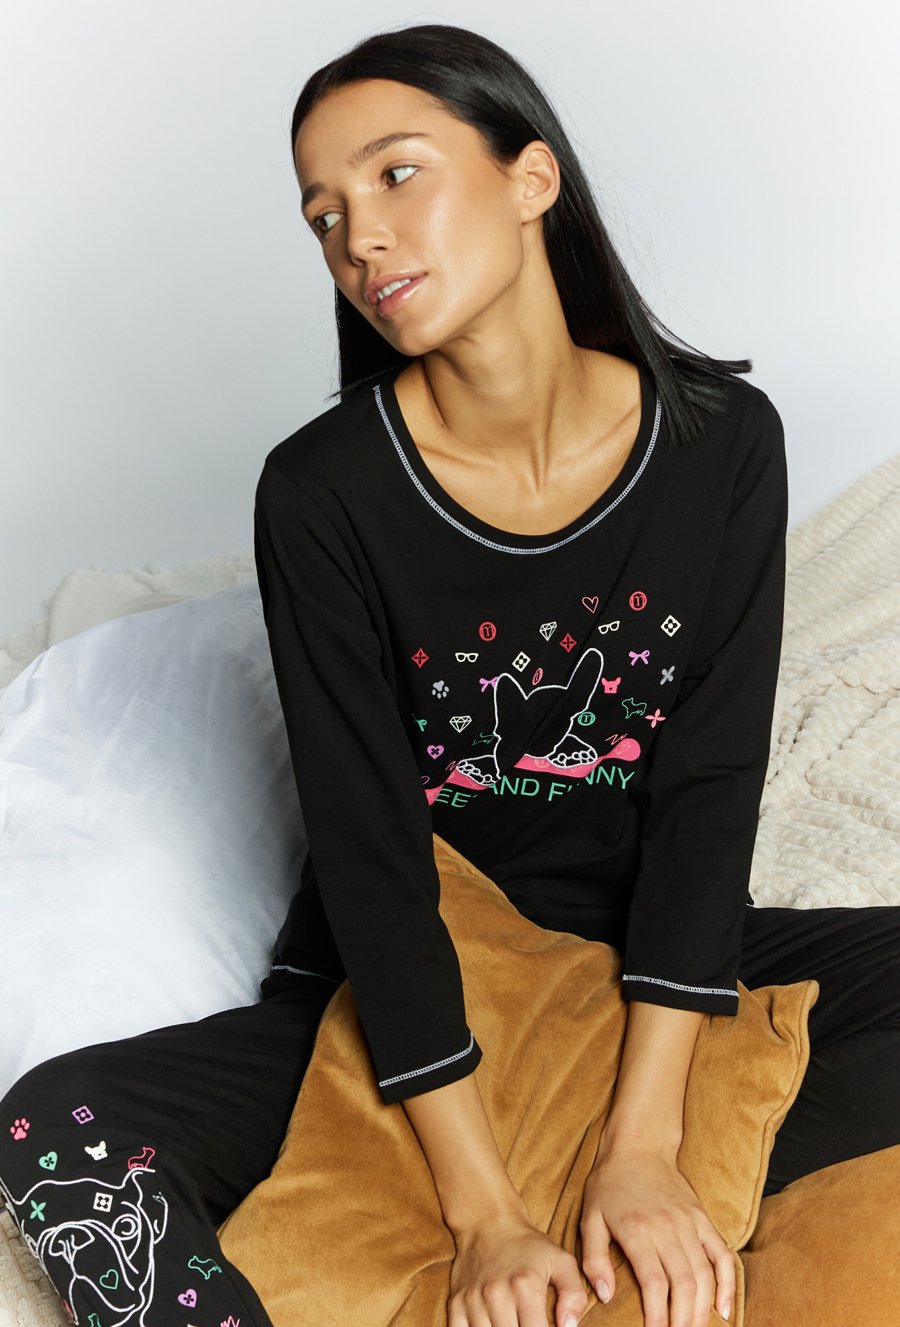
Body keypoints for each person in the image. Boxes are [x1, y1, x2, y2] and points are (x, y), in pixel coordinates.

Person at [2, 21, 898, 1327]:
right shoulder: (322, 495)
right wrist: (483, 1220)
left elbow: (707, 802)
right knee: (59, 1131)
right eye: (323, 214)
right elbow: (371, 861)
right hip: (410, 988)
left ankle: (654, 1191)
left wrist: (645, 1150)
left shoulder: (720, 445)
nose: (358, 236)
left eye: (396, 174)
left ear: (532, 178)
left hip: (635, 959)